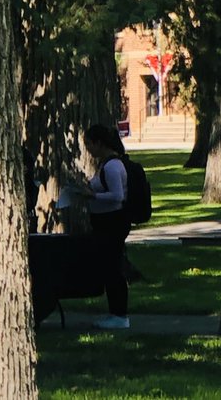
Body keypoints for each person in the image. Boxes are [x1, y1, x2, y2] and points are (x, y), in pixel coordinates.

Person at [80, 124, 132, 329]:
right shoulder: (105, 165)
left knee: (113, 268)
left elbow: (117, 196)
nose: (89, 149)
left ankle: (120, 315)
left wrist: (92, 196)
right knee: (109, 267)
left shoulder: (112, 166)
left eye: (90, 144)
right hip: (104, 222)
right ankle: (115, 312)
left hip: (112, 223)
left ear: (99, 143)